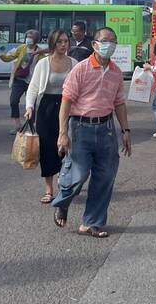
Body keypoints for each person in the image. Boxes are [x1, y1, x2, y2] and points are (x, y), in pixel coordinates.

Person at [52, 27, 132, 238]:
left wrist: (125, 130)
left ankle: (91, 223)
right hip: (80, 127)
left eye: (113, 41)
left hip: (106, 129)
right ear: (95, 44)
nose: (110, 45)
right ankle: (63, 201)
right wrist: (62, 133)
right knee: (78, 176)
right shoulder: (81, 69)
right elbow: (66, 102)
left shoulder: (115, 72)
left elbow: (119, 103)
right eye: (106, 40)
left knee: (105, 176)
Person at [25, 29, 78, 203]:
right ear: (52, 44)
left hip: (69, 107)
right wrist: (29, 107)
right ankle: (49, 189)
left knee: (68, 147)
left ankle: (66, 184)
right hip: (47, 108)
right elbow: (33, 87)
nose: (63, 45)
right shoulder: (43, 63)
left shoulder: (74, 63)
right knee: (47, 148)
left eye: (65, 41)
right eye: (59, 42)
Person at [0, 29, 43, 134]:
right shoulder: (22, 48)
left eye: (30, 37)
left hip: (32, 81)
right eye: (27, 37)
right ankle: (17, 125)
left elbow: (45, 61)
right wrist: (2, 56)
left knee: (31, 104)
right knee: (13, 101)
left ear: (35, 39)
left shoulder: (40, 51)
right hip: (19, 80)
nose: (28, 39)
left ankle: (31, 126)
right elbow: (10, 57)